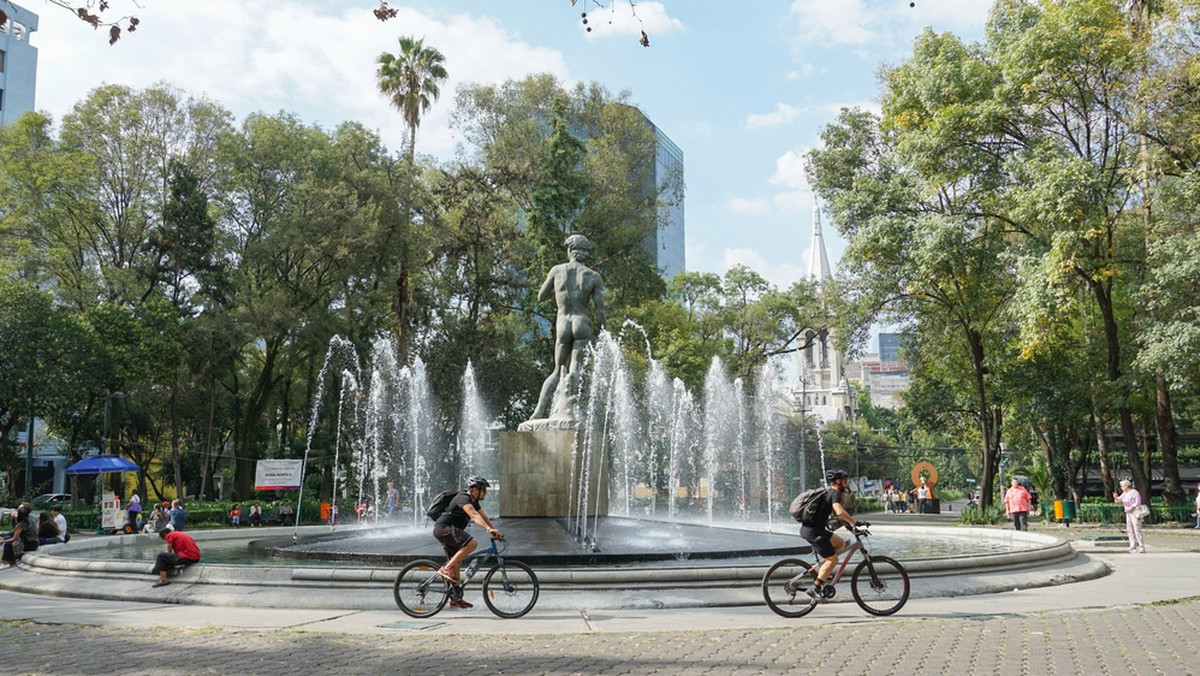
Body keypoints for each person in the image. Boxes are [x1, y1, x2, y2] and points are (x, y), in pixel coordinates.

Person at [529, 234, 606, 421]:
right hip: (582, 323)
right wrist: (603, 332)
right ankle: (569, 412)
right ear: (585, 254)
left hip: (563, 322)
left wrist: (559, 290)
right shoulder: (593, 276)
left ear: (569, 251)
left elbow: (541, 296)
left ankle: (539, 411)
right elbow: (600, 311)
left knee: (557, 370)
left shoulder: (557, 270)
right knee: (576, 370)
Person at [432, 476, 502, 609]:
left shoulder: (474, 501)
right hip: (443, 529)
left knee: (457, 565)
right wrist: (488, 529)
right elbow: (474, 516)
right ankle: (446, 568)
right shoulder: (463, 498)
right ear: (475, 490)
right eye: (484, 490)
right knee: (472, 543)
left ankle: (455, 598)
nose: (486, 493)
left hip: (450, 530)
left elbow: (483, 516)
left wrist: (494, 529)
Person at [798, 469, 860, 602]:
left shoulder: (827, 492)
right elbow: (839, 512)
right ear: (838, 481)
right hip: (814, 532)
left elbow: (834, 516)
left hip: (812, 529)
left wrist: (850, 526)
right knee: (833, 560)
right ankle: (815, 587)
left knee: (840, 543)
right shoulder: (835, 493)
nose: (846, 483)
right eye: (844, 480)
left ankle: (824, 571)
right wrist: (855, 522)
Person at [1113, 479, 1146, 553]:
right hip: (1128, 513)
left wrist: (1131, 508)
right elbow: (1118, 500)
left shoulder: (1134, 492)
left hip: (1135, 513)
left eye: (1122, 486)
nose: (1121, 487)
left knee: (1137, 529)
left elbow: (1137, 502)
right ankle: (1132, 545)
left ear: (1126, 486)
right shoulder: (1125, 493)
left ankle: (1141, 546)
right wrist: (1115, 497)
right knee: (1130, 529)